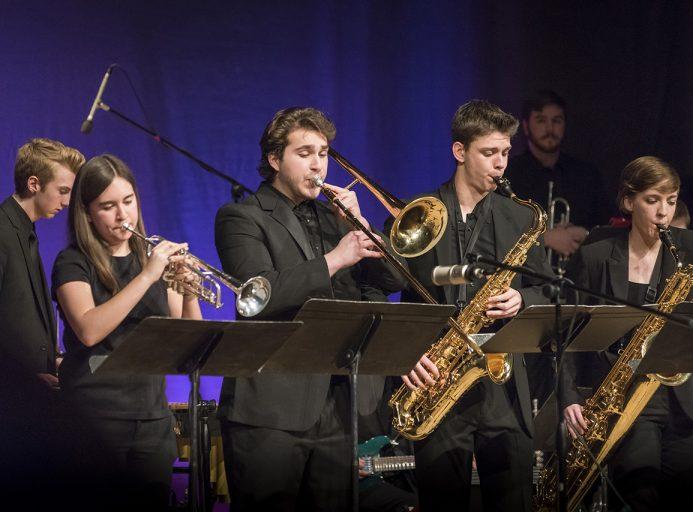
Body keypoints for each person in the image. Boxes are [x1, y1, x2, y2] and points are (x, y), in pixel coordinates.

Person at [214, 107, 405, 511]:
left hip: (338, 406)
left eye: (322, 153)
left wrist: (361, 225)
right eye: (304, 153)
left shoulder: (337, 217)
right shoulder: (241, 217)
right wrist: (334, 259)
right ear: (274, 159)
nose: (317, 163)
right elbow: (257, 295)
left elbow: (394, 282)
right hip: (270, 409)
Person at [393, 100, 554, 512]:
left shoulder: (519, 216)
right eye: (489, 153)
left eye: (504, 153)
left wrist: (523, 297)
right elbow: (379, 288)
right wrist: (406, 354)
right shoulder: (420, 213)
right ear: (459, 152)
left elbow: (547, 291)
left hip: (503, 387)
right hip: (439, 381)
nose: (500, 164)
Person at [562, 156, 693, 511]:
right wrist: (569, 396)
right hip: (627, 396)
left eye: (671, 200)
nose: (663, 212)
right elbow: (571, 329)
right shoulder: (597, 253)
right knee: (640, 498)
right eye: (652, 200)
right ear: (628, 201)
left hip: (687, 400)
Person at [53, 154, 201, 508]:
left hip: (152, 418)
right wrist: (148, 275)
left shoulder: (151, 260)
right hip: (94, 419)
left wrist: (189, 293)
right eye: (108, 206)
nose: (123, 216)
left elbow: (187, 342)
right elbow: (89, 330)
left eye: (128, 201)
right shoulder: (73, 262)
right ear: (87, 213)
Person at [0, 138, 84, 386]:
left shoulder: (24, 231)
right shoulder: (3, 231)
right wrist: (21, 379)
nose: (67, 202)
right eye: (63, 191)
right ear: (34, 184)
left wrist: (52, 360)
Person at [503, 89, 610, 259]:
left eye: (557, 121)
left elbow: (607, 227)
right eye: (541, 120)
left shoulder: (587, 175)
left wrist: (586, 233)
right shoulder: (508, 174)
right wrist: (545, 239)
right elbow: (497, 233)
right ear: (525, 126)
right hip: (522, 280)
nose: (550, 128)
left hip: (577, 278)